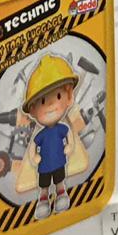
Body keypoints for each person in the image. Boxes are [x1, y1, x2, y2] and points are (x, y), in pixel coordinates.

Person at [20, 55, 81, 219]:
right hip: (44, 166)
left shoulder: (62, 128)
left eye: (58, 96)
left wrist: (70, 146)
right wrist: (34, 156)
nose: (50, 105)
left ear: (69, 97)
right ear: (33, 110)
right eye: (42, 101)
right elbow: (33, 145)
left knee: (60, 180)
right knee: (44, 184)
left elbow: (68, 135)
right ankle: (43, 201)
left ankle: (61, 194)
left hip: (59, 162)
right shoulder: (41, 134)